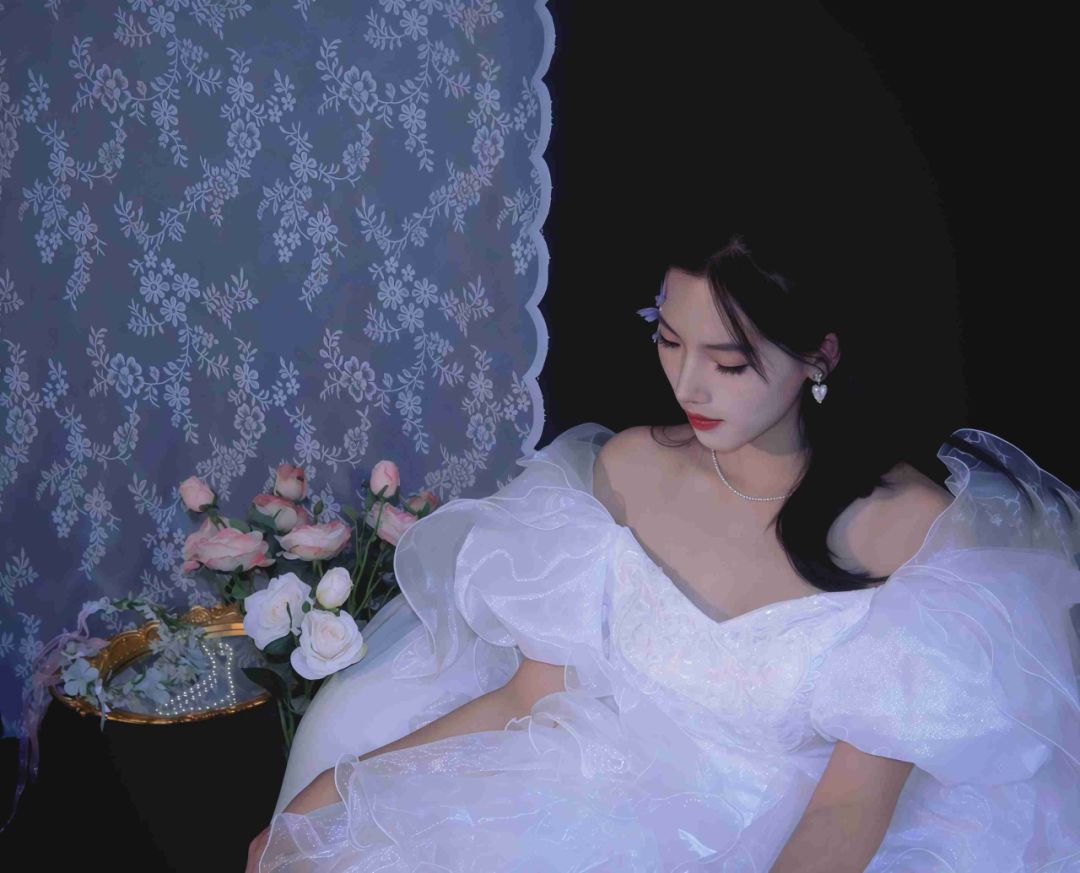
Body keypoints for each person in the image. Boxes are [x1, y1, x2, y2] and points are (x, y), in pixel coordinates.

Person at [246, 230, 1080, 872]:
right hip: (579, 791)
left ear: (819, 356)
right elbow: (530, 694)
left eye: (728, 361)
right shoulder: (631, 466)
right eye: (669, 339)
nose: (687, 384)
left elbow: (848, 809)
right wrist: (336, 792)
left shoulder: (912, 529)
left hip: (794, 835)